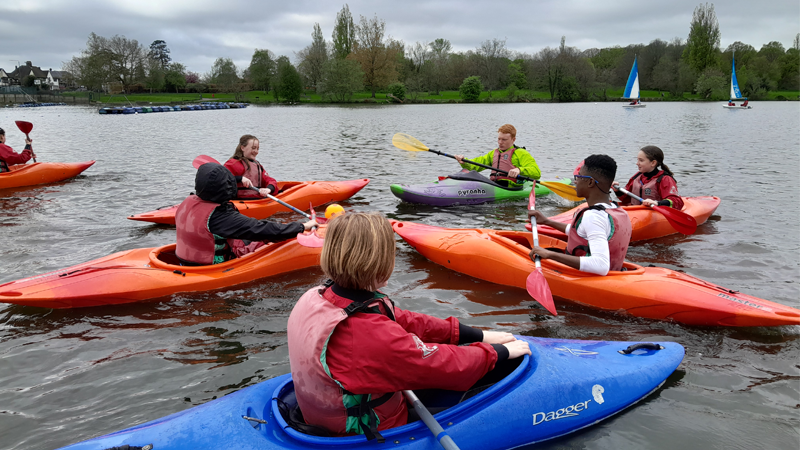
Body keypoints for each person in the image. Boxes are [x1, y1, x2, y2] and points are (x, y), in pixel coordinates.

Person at [287, 212, 531, 440]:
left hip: (325, 411)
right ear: (379, 262)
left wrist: (477, 334)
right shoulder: (365, 334)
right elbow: (441, 364)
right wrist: (501, 353)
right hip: (364, 430)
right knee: (484, 392)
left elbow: (404, 320)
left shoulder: (318, 295)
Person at [175, 162, 317, 266]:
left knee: (247, 239)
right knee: (268, 237)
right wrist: (302, 227)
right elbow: (261, 229)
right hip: (211, 266)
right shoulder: (220, 216)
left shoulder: (189, 200)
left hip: (184, 260)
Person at [528, 154, 632, 276]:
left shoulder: (593, 216)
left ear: (590, 182)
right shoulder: (617, 210)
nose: (575, 181)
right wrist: (547, 221)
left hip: (587, 277)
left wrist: (550, 255)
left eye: (578, 177)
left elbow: (601, 265)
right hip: (615, 273)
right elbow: (580, 233)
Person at [454, 124, 541, 187]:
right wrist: (463, 161)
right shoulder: (493, 153)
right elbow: (475, 166)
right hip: (494, 185)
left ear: (513, 140)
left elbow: (536, 172)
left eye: (504, 140)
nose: (500, 142)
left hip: (512, 187)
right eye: (499, 139)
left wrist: (519, 170)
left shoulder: (521, 153)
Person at [612, 145, 683, 210]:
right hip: (636, 211)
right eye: (637, 160)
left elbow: (677, 202)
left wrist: (657, 203)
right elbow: (626, 199)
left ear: (653, 163)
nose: (637, 163)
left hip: (653, 212)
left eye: (641, 160)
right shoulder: (637, 176)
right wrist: (617, 191)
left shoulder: (664, 179)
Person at [223, 134, 278, 199]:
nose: (256, 151)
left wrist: (269, 189)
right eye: (253, 148)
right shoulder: (233, 163)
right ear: (242, 148)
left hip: (257, 199)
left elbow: (269, 180)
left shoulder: (257, 165)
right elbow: (222, 179)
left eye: (257, 149)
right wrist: (240, 178)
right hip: (240, 200)